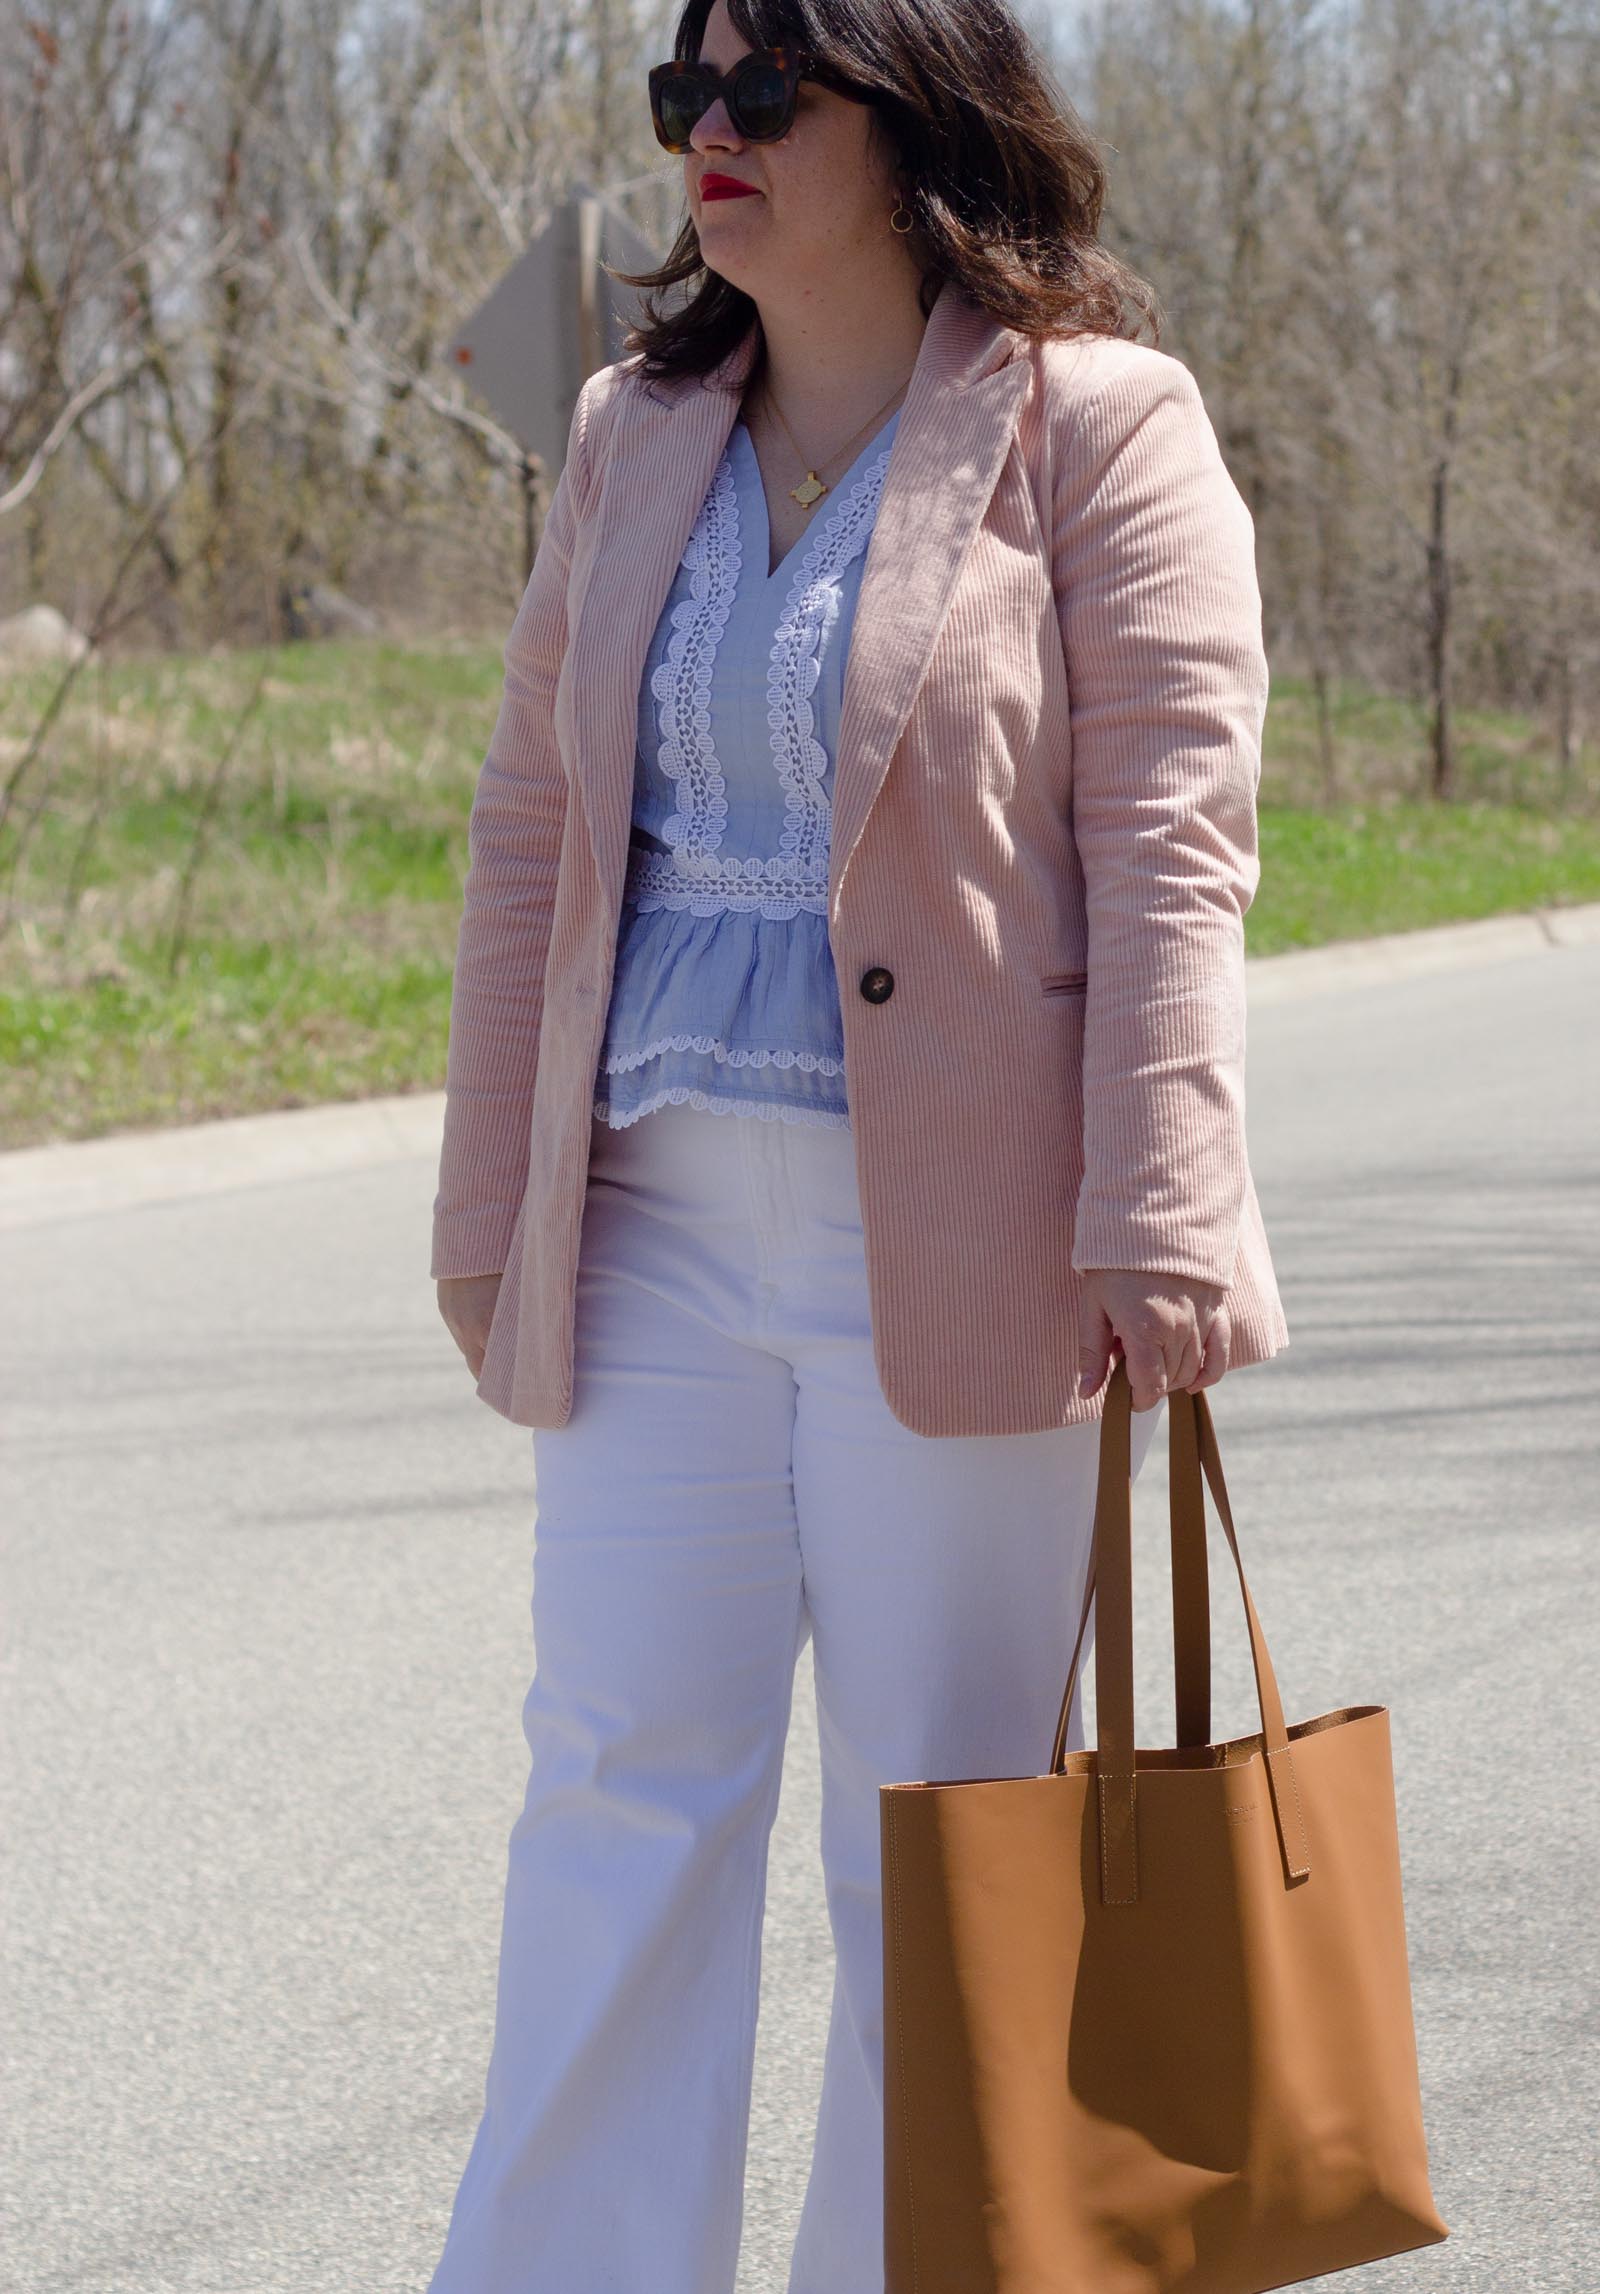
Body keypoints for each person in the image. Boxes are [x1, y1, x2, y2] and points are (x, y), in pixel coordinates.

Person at [426, 0, 1290, 2286]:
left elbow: (1173, 842)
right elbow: (531, 831)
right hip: (649, 1233)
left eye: (761, 94)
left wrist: (1160, 1207)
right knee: (615, 1791)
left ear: (913, 128)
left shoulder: (1091, 430)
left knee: (942, 1850)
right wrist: (475, 1200)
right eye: (675, 95)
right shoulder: (631, 431)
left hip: (971, 1244)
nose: (704, 133)